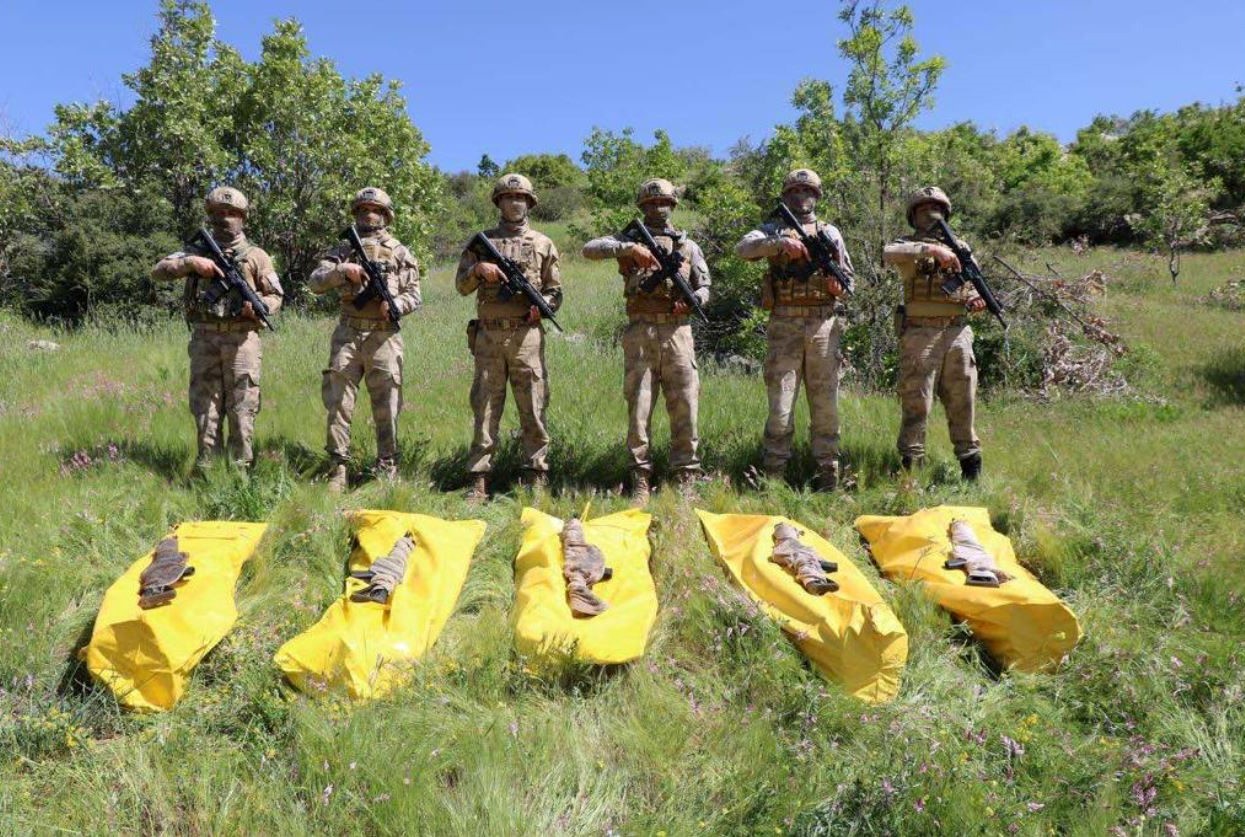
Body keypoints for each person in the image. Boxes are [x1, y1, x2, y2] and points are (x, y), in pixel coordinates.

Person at [581, 178, 710, 503]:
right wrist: (628, 248)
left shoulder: (687, 246)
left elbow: (705, 286)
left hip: (678, 331)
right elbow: (590, 249)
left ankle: (686, 477)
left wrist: (694, 299)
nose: (658, 208)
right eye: (651, 203)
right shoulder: (629, 239)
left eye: (663, 202)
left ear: (672, 205)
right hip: (640, 332)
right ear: (643, 207)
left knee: (685, 404)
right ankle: (640, 478)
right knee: (639, 405)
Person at [735, 168, 854, 490]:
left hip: (822, 324)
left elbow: (848, 280)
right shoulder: (772, 228)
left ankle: (828, 476)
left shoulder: (830, 233)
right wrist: (779, 243)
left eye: (808, 191)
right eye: (795, 191)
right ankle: (773, 479)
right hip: (784, 324)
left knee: (825, 405)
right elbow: (744, 249)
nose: (801, 197)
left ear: (817, 196)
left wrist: (836, 286)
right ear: (786, 196)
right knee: (780, 406)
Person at [151, 186, 282, 471]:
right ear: (210, 216)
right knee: (205, 407)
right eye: (220, 213)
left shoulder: (257, 255)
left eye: (232, 213)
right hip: (205, 337)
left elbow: (276, 296)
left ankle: (240, 471)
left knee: (242, 407)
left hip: (242, 339)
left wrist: (258, 305)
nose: (226, 219)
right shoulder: (195, 251)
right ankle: (207, 469)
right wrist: (190, 263)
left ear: (243, 217)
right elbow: (159, 271)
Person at [455, 173, 562, 499]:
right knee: (485, 407)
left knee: (533, 405)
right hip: (489, 337)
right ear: (499, 202)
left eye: (520, 198)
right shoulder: (481, 242)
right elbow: (461, 286)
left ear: (529, 203)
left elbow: (555, 291)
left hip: (526, 335)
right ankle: (479, 480)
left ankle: (535, 475)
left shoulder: (543, 243)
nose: (514, 202)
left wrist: (541, 309)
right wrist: (478, 270)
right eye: (508, 197)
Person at [308, 187, 422, 492]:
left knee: (388, 404)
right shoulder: (342, 250)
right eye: (362, 210)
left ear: (385, 215)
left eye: (375, 210)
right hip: (348, 332)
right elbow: (315, 282)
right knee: (339, 403)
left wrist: (396, 305)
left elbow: (415, 294)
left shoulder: (400, 251)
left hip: (384, 335)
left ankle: (386, 467)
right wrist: (342, 271)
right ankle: (338, 468)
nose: (368, 215)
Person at [882, 186, 987, 480]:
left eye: (937, 208)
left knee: (963, 401)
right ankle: (911, 470)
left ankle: (971, 470)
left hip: (956, 332)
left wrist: (976, 297)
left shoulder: (961, 247)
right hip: (919, 333)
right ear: (913, 216)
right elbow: (889, 252)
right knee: (917, 403)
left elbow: (975, 280)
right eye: (924, 209)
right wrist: (931, 249)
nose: (931, 214)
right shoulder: (908, 245)